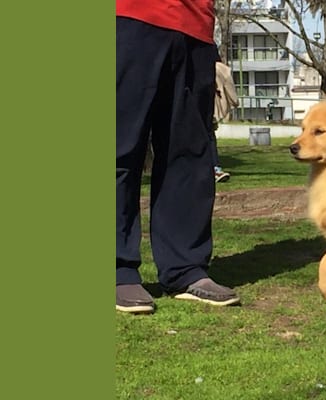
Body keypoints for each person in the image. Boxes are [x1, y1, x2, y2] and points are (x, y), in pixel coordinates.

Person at [116, 0, 240, 314]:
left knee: (188, 153)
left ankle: (185, 267)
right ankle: (117, 269)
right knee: (120, 144)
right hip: (127, 14)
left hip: (194, 26)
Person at [212, 59, 238, 183]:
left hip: (198, 105)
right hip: (208, 105)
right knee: (208, 136)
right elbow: (229, 85)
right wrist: (234, 101)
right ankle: (215, 168)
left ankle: (214, 169)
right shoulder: (220, 69)